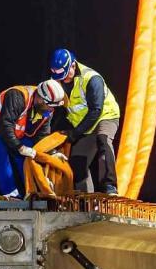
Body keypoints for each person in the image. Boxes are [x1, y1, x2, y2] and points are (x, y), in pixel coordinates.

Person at [49, 48, 121, 194]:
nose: (64, 79)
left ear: (73, 65)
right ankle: (86, 198)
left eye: (65, 74)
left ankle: (109, 186)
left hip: (105, 116)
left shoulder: (92, 79)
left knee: (103, 139)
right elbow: (57, 110)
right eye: (60, 76)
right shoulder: (57, 81)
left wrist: (75, 133)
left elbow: (96, 110)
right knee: (77, 163)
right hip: (84, 125)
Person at [0, 80, 67, 197]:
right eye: (50, 106)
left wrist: (52, 152)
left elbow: (42, 136)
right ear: (40, 99)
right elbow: (5, 126)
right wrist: (19, 147)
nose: (51, 110)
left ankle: (32, 193)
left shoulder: (46, 108)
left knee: (27, 161)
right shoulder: (17, 97)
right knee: (2, 162)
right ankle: (11, 197)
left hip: (17, 129)